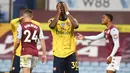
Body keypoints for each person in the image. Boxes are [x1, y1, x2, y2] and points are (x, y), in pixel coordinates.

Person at [48, 2, 79, 73]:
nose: (62, 8)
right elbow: (52, 26)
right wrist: (58, 13)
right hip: (58, 54)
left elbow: (76, 26)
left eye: (63, 7)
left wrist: (67, 12)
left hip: (71, 54)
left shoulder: (71, 20)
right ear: (57, 9)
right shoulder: (52, 20)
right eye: (60, 7)